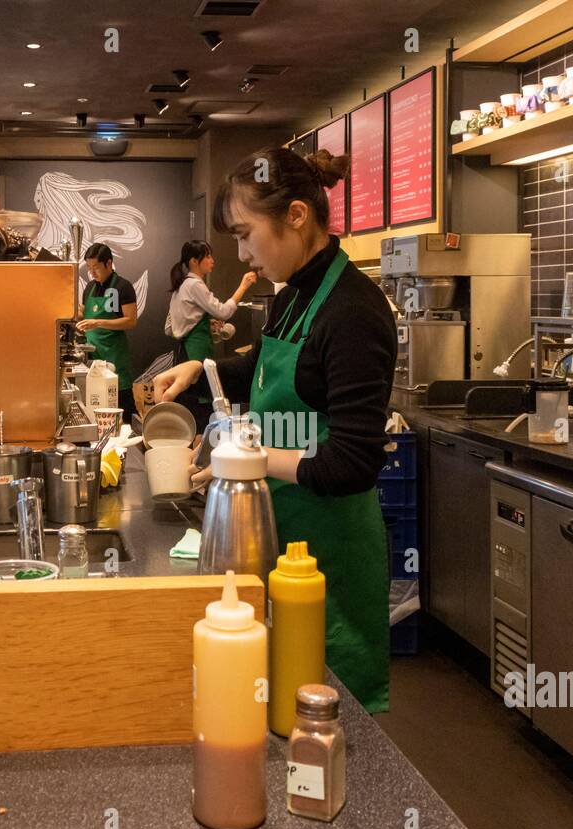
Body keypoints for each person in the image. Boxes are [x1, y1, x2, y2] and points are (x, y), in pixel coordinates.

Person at [152, 147, 396, 713]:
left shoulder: (353, 311)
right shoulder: (291, 298)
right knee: (271, 711)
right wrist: (203, 367)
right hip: (279, 536)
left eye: (244, 234)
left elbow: (353, 462)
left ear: (295, 215)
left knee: (325, 723)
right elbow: (259, 371)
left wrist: (251, 463)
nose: (241, 254)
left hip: (329, 556)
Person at [165, 240, 255, 429]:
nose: (212, 260)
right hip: (196, 350)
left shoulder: (181, 285)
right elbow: (223, 311)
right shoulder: (195, 285)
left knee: (192, 401)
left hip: (184, 351)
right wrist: (244, 286)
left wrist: (204, 321)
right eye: (207, 256)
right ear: (194, 261)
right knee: (203, 402)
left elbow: (170, 326)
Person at [76, 243, 138, 417]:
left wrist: (97, 322)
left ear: (109, 263)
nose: (92, 272)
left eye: (96, 267)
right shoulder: (89, 288)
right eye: (89, 268)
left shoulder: (123, 287)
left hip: (114, 356)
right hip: (93, 359)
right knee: (96, 408)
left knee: (123, 407)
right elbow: (84, 314)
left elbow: (131, 321)